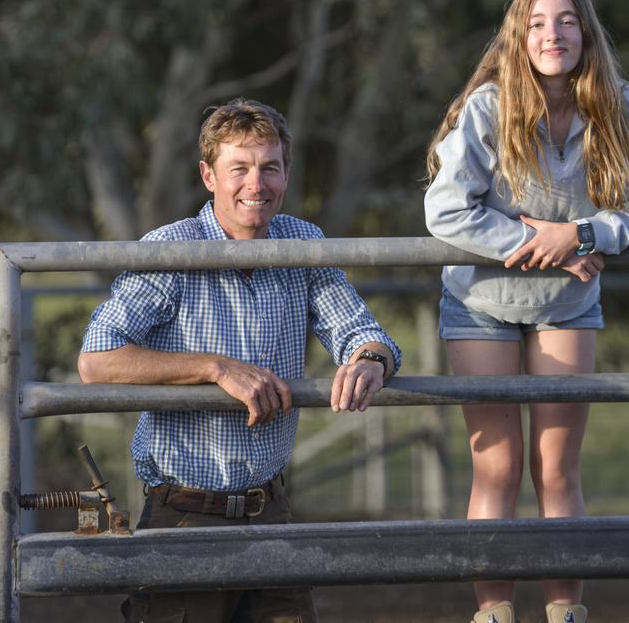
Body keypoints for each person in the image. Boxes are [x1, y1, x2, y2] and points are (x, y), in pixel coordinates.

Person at [79, 97, 401, 623]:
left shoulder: (302, 242)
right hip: (183, 513)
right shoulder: (171, 250)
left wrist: (370, 360)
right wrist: (215, 368)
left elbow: (363, 331)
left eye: (269, 168)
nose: (257, 183)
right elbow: (96, 360)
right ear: (209, 175)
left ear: (287, 174)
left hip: (269, 508)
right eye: (240, 168)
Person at [424, 0, 629, 623]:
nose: (551, 34)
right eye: (537, 22)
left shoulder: (620, 106)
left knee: (558, 470)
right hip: (483, 298)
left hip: (567, 302)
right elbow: (446, 211)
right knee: (498, 469)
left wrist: (586, 233)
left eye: (565, 20)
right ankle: (494, 614)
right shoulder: (488, 107)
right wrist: (534, 241)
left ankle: (566, 612)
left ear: (585, 33)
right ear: (519, 36)